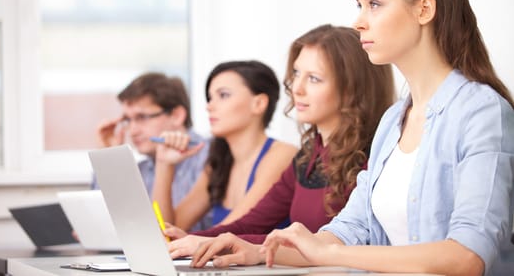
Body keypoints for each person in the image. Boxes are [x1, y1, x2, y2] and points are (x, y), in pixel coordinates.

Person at [188, 0, 514, 276]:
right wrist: (257, 252)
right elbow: (348, 232)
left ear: (424, 10)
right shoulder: (393, 122)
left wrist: (325, 254)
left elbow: (467, 257)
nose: (359, 21)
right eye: (359, 5)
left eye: (374, 4)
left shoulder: (482, 112)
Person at [163, 24, 395, 258]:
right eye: (296, 74)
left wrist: (216, 243)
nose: (297, 88)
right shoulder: (309, 155)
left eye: (314, 79)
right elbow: (253, 222)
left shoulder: (373, 157)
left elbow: (326, 243)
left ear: (352, 89)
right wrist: (200, 239)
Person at [152, 60, 298, 232]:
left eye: (223, 95)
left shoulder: (282, 154)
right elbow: (164, 231)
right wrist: (164, 164)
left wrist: (188, 241)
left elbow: (235, 230)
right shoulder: (219, 163)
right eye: (210, 98)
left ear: (258, 104)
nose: (209, 106)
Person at [91, 72, 211, 231]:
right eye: (128, 120)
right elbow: (107, 225)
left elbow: (166, 232)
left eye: (142, 117)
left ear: (176, 115)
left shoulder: (210, 155)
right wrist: (109, 158)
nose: (133, 131)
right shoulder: (141, 170)